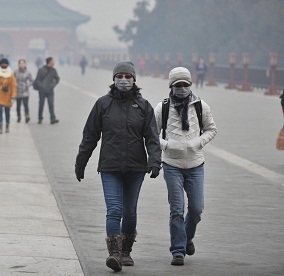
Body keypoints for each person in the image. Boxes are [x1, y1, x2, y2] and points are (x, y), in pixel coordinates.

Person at [75, 61, 162, 272]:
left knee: (130, 211)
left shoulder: (144, 106)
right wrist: (81, 162)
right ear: (114, 79)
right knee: (114, 209)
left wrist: (154, 161)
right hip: (110, 167)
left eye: (127, 76)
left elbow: (152, 137)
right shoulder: (102, 104)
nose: (124, 79)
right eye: (120, 76)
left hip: (135, 167)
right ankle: (114, 253)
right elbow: (90, 136)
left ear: (134, 79)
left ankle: (126, 251)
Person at [154, 67, 217, 266]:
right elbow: (151, 135)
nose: (182, 89)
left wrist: (197, 142)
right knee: (176, 209)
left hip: (196, 164)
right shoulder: (162, 108)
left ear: (191, 85)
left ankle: (187, 237)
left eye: (185, 85)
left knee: (197, 209)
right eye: (177, 85)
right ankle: (178, 251)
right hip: (172, 165)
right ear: (171, 86)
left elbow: (211, 129)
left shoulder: (200, 106)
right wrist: (166, 145)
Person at [34, 57, 60, 124]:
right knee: (41, 105)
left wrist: (52, 85)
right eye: (53, 61)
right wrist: (41, 86)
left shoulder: (53, 70)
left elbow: (57, 79)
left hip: (50, 91)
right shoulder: (41, 70)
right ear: (49, 62)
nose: (54, 62)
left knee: (51, 104)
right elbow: (38, 79)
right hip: (42, 91)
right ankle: (40, 118)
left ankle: (52, 118)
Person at [14, 59, 33, 123]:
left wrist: (27, 85)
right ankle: (19, 116)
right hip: (18, 91)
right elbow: (12, 80)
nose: (22, 65)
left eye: (23, 63)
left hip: (25, 91)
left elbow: (32, 81)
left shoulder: (28, 72)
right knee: (18, 105)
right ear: (18, 64)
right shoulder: (16, 72)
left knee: (25, 105)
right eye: (20, 63)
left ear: (25, 64)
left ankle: (27, 116)